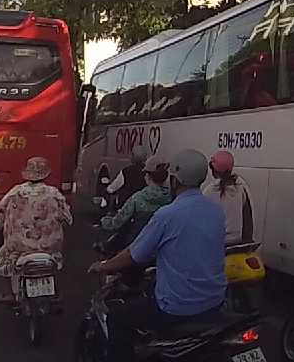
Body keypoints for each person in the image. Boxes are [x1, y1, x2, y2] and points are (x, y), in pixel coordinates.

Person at [88, 149, 228, 358]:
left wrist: (102, 266)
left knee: (117, 318)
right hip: (215, 301)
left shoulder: (167, 215)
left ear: (175, 179)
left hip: (175, 307)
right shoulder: (215, 211)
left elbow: (134, 255)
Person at [0, 156, 73, 304]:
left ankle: (10, 294)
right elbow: (68, 219)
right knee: (56, 262)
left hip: (19, 249)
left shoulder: (15, 192)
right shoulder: (54, 193)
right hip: (49, 248)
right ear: (46, 174)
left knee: (4, 257)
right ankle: (55, 291)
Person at [99, 161, 172, 249]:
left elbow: (118, 222)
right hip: (160, 244)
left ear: (148, 177)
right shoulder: (171, 198)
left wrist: (104, 221)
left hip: (136, 243)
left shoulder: (138, 198)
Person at [201, 150, 254, 245]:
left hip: (215, 243)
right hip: (237, 242)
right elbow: (248, 219)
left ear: (213, 170)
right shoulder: (241, 188)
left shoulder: (209, 190)